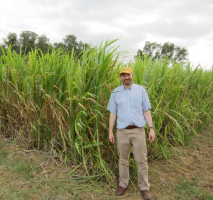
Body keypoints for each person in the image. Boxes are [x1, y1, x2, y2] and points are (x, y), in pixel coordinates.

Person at [107, 67, 155, 200]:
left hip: (138, 131)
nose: (126, 77)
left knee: (142, 160)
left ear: (132, 75)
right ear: (120, 77)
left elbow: (146, 111)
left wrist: (151, 128)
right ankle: (123, 184)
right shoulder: (115, 92)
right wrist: (110, 131)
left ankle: (144, 187)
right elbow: (113, 113)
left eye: (128, 75)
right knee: (123, 159)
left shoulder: (140, 90)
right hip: (122, 132)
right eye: (123, 75)